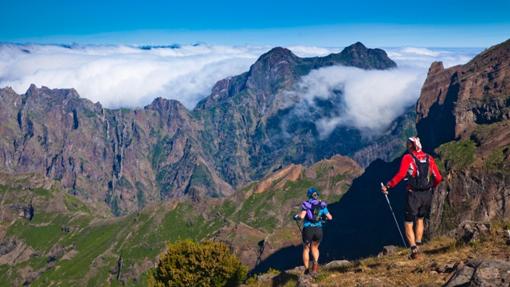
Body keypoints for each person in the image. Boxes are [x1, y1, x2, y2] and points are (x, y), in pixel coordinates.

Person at [381, 137, 442, 259]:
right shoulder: (429, 158)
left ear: (411, 146)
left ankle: (414, 250)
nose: (407, 145)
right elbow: (438, 177)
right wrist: (431, 187)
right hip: (427, 194)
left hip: (413, 195)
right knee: (420, 219)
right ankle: (418, 246)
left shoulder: (408, 158)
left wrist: (388, 185)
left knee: (408, 222)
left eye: (408, 144)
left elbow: (401, 175)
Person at [293, 187, 332, 275]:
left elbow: (302, 216)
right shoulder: (322, 205)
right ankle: (315, 267)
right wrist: (322, 217)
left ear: (309, 196)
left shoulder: (306, 205)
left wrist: (296, 217)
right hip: (318, 230)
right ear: (317, 195)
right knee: (315, 248)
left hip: (308, 230)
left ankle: (307, 270)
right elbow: (330, 217)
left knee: (306, 249)